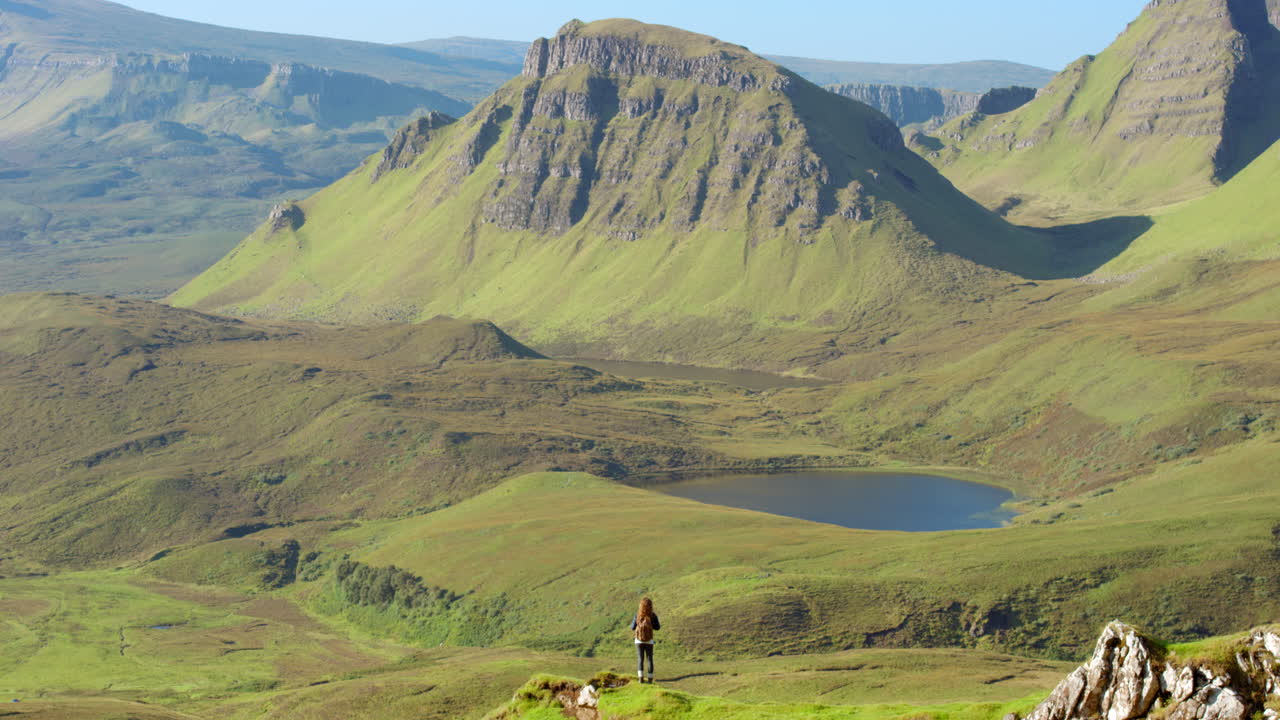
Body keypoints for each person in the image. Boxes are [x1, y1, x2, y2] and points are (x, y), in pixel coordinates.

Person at [630, 596, 661, 683]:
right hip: (649, 640)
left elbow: (632, 627)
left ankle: (640, 679)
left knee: (640, 659)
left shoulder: (637, 615)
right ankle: (650, 679)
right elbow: (657, 627)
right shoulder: (653, 615)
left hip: (638, 640)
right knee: (649, 659)